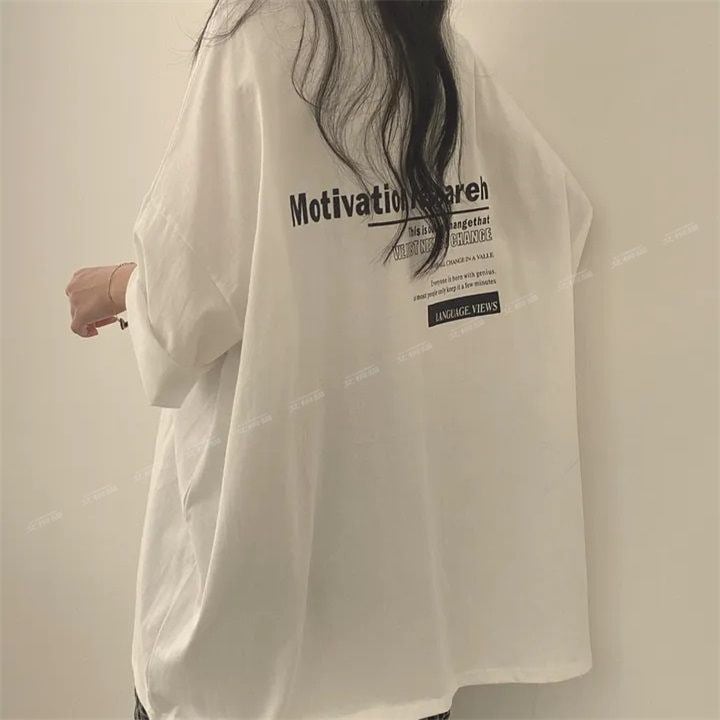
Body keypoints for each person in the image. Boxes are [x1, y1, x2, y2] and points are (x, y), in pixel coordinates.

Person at [65, 0, 594, 718]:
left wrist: (115, 285)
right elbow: (553, 218)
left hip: (255, 638)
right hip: (401, 639)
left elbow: (182, 314)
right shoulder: (421, 37)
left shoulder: (256, 33)